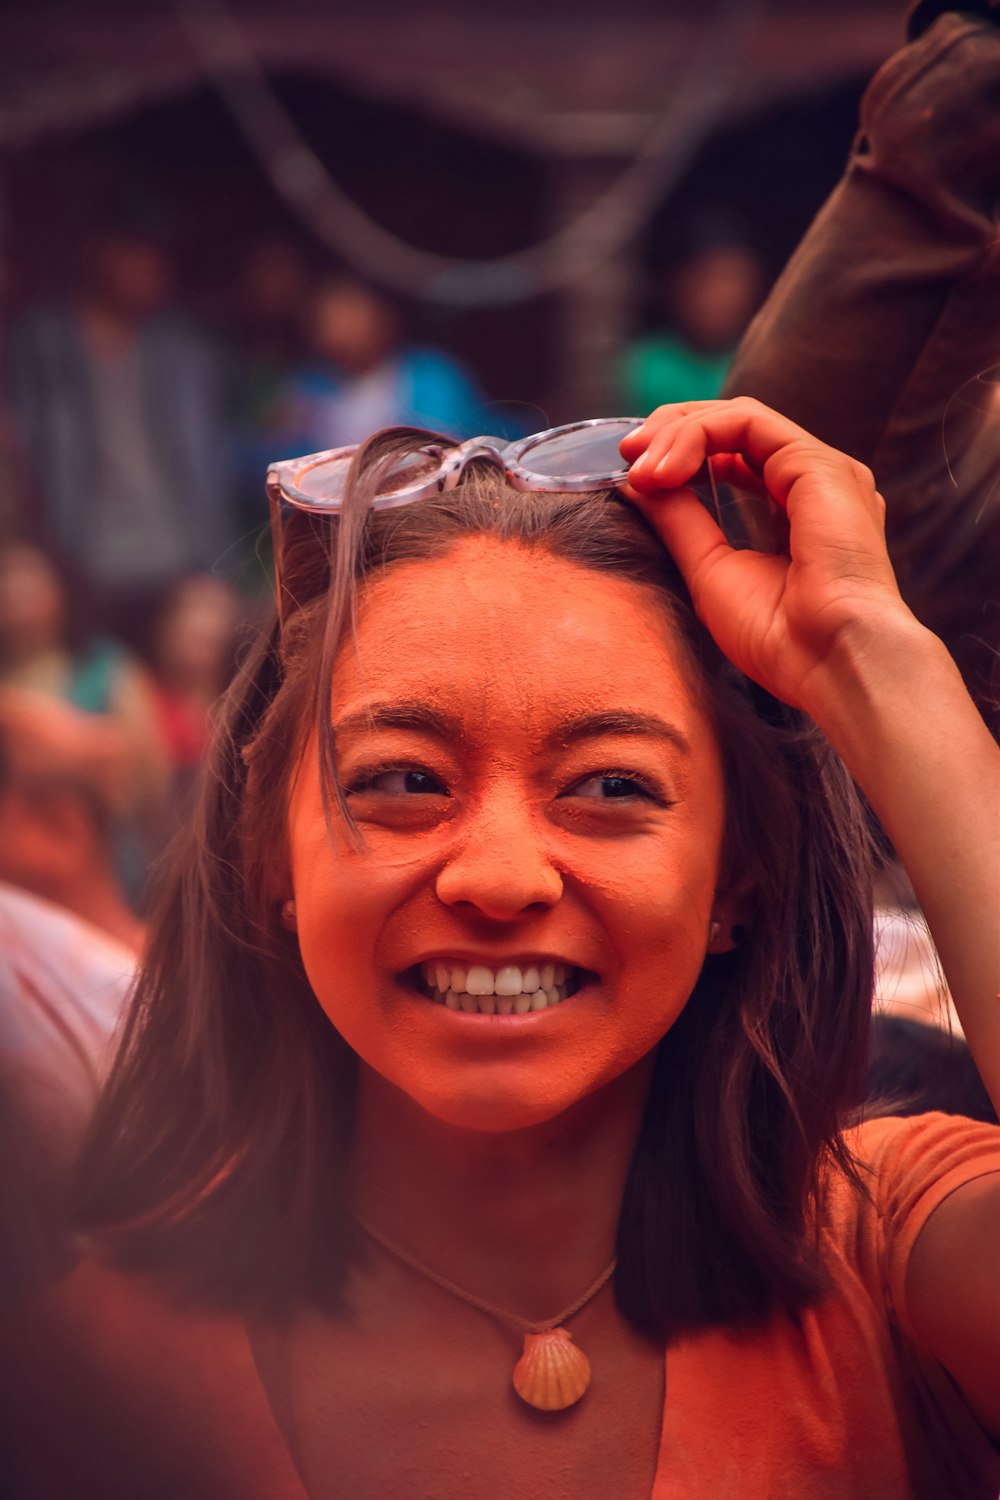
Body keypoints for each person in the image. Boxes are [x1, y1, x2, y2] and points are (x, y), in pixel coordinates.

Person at [1, 393, 996, 1499]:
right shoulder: (80, 1372)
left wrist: (881, 663)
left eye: (611, 787)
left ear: (736, 884)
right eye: (400, 781)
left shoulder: (883, 1253)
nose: (499, 877)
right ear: (268, 858)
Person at [5, 204, 235, 648]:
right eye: (135, 254)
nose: (148, 270)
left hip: (177, 556)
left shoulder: (184, 348)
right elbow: (31, 452)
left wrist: (217, 564)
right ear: (101, 254)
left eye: (157, 258)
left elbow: (208, 459)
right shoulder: (44, 340)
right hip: (84, 559)